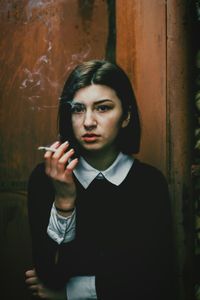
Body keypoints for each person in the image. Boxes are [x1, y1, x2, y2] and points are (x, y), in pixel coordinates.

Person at [25, 59, 176, 300]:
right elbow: (49, 275)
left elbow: (155, 280)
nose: (88, 122)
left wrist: (71, 291)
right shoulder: (46, 178)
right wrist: (64, 201)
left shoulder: (149, 184)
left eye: (103, 108)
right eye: (78, 109)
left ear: (125, 116)